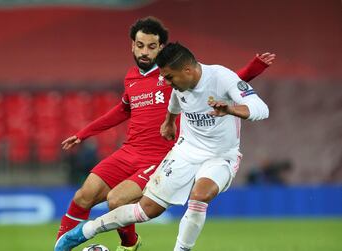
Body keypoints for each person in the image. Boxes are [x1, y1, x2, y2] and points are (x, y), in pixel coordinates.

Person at [56, 16, 275, 251]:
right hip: (152, 150)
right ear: (132, 45)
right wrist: (85, 133)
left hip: (184, 155)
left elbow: (228, 87)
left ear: (161, 48)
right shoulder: (140, 78)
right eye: (139, 45)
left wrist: (245, 82)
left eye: (151, 46)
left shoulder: (181, 73)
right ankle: (72, 239)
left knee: (125, 200)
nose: (144, 52)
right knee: (95, 198)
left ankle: (145, 246)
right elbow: (138, 106)